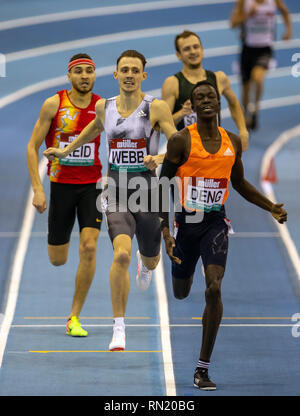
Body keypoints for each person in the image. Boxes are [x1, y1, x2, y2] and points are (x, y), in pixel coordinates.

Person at [43, 50, 177, 351]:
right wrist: (64, 152)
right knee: (120, 256)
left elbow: (180, 144)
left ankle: (148, 262)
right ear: (115, 75)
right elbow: (93, 128)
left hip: (148, 193)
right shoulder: (105, 108)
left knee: (151, 260)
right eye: (124, 70)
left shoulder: (155, 108)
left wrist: (159, 156)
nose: (129, 74)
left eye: (135, 70)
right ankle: (119, 328)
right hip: (116, 190)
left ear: (144, 75)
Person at [158, 80, 287, 390]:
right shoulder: (180, 142)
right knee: (180, 291)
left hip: (215, 222)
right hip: (187, 224)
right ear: (193, 103)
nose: (206, 100)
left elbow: (239, 183)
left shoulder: (232, 142)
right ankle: (183, 273)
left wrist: (270, 206)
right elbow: (161, 187)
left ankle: (202, 368)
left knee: (214, 288)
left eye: (211, 96)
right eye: (199, 96)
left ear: (218, 103)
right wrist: (165, 231)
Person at [27, 53, 103, 337]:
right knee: (57, 259)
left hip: (92, 186)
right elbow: (32, 146)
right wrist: (37, 188)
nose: (84, 76)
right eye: (79, 72)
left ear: (95, 76)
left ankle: (74, 317)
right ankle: (61, 250)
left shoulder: (102, 107)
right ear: (69, 76)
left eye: (89, 72)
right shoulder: (54, 104)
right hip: (60, 187)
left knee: (90, 247)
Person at [161, 30, 249, 151]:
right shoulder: (173, 83)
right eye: (187, 49)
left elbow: (234, 104)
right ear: (178, 55)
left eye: (196, 47)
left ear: (202, 50)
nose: (192, 52)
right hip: (188, 152)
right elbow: (162, 125)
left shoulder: (219, 78)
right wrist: (181, 113)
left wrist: (243, 130)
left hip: (216, 149)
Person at [230, 0, 292, 130]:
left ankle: (256, 110)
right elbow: (233, 23)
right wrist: (247, 14)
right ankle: (247, 114)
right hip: (248, 50)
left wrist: (288, 30)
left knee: (257, 78)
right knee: (245, 88)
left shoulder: (273, 1)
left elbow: (285, 11)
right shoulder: (244, 2)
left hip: (265, 50)